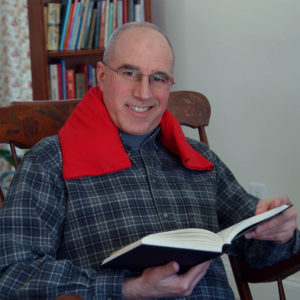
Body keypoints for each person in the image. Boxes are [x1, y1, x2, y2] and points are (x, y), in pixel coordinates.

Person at [0, 22, 299, 300]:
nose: (144, 93)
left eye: (158, 78)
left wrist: (279, 231)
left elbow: (258, 253)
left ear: (170, 83)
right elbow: (12, 275)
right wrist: (128, 288)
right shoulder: (50, 160)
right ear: (102, 76)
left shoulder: (200, 159)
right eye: (130, 73)